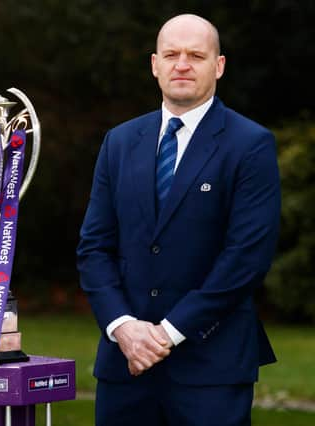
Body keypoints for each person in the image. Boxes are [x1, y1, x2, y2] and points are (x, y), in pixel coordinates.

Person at [77, 13, 280, 426]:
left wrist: (165, 334)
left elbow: (245, 259)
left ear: (218, 66)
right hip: (124, 367)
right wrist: (124, 329)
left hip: (211, 370)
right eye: (171, 54)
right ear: (155, 65)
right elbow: (94, 247)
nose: (182, 64)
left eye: (195, 55)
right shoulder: (119, 142)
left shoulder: (250, 145)